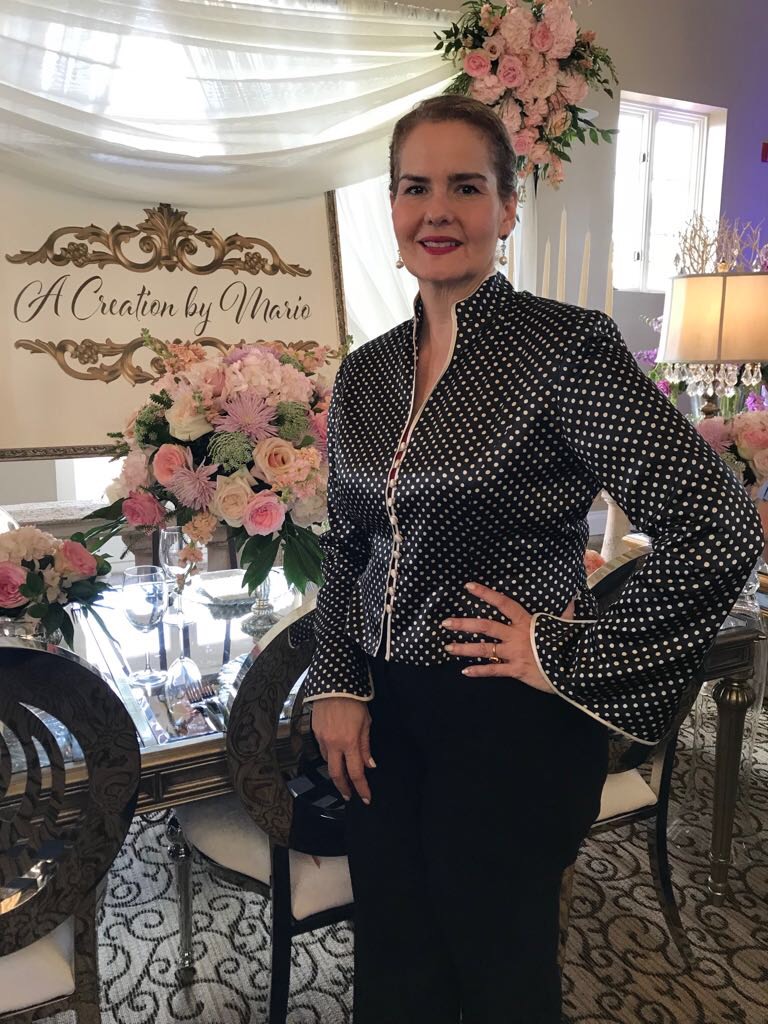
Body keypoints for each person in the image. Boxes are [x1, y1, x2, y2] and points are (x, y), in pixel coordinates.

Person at [302, 95, 763, 1024]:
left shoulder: (564, 349)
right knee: (395, 961)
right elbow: (347, 542)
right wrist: (339, 682)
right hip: (386, 718)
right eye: (415, 188)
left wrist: (567, 650)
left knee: (498, 971)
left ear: (508, 208)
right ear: (391, 207)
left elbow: (719, 525)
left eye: (466, 188)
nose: (437, 212)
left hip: (507, 720)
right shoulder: (368, 370)